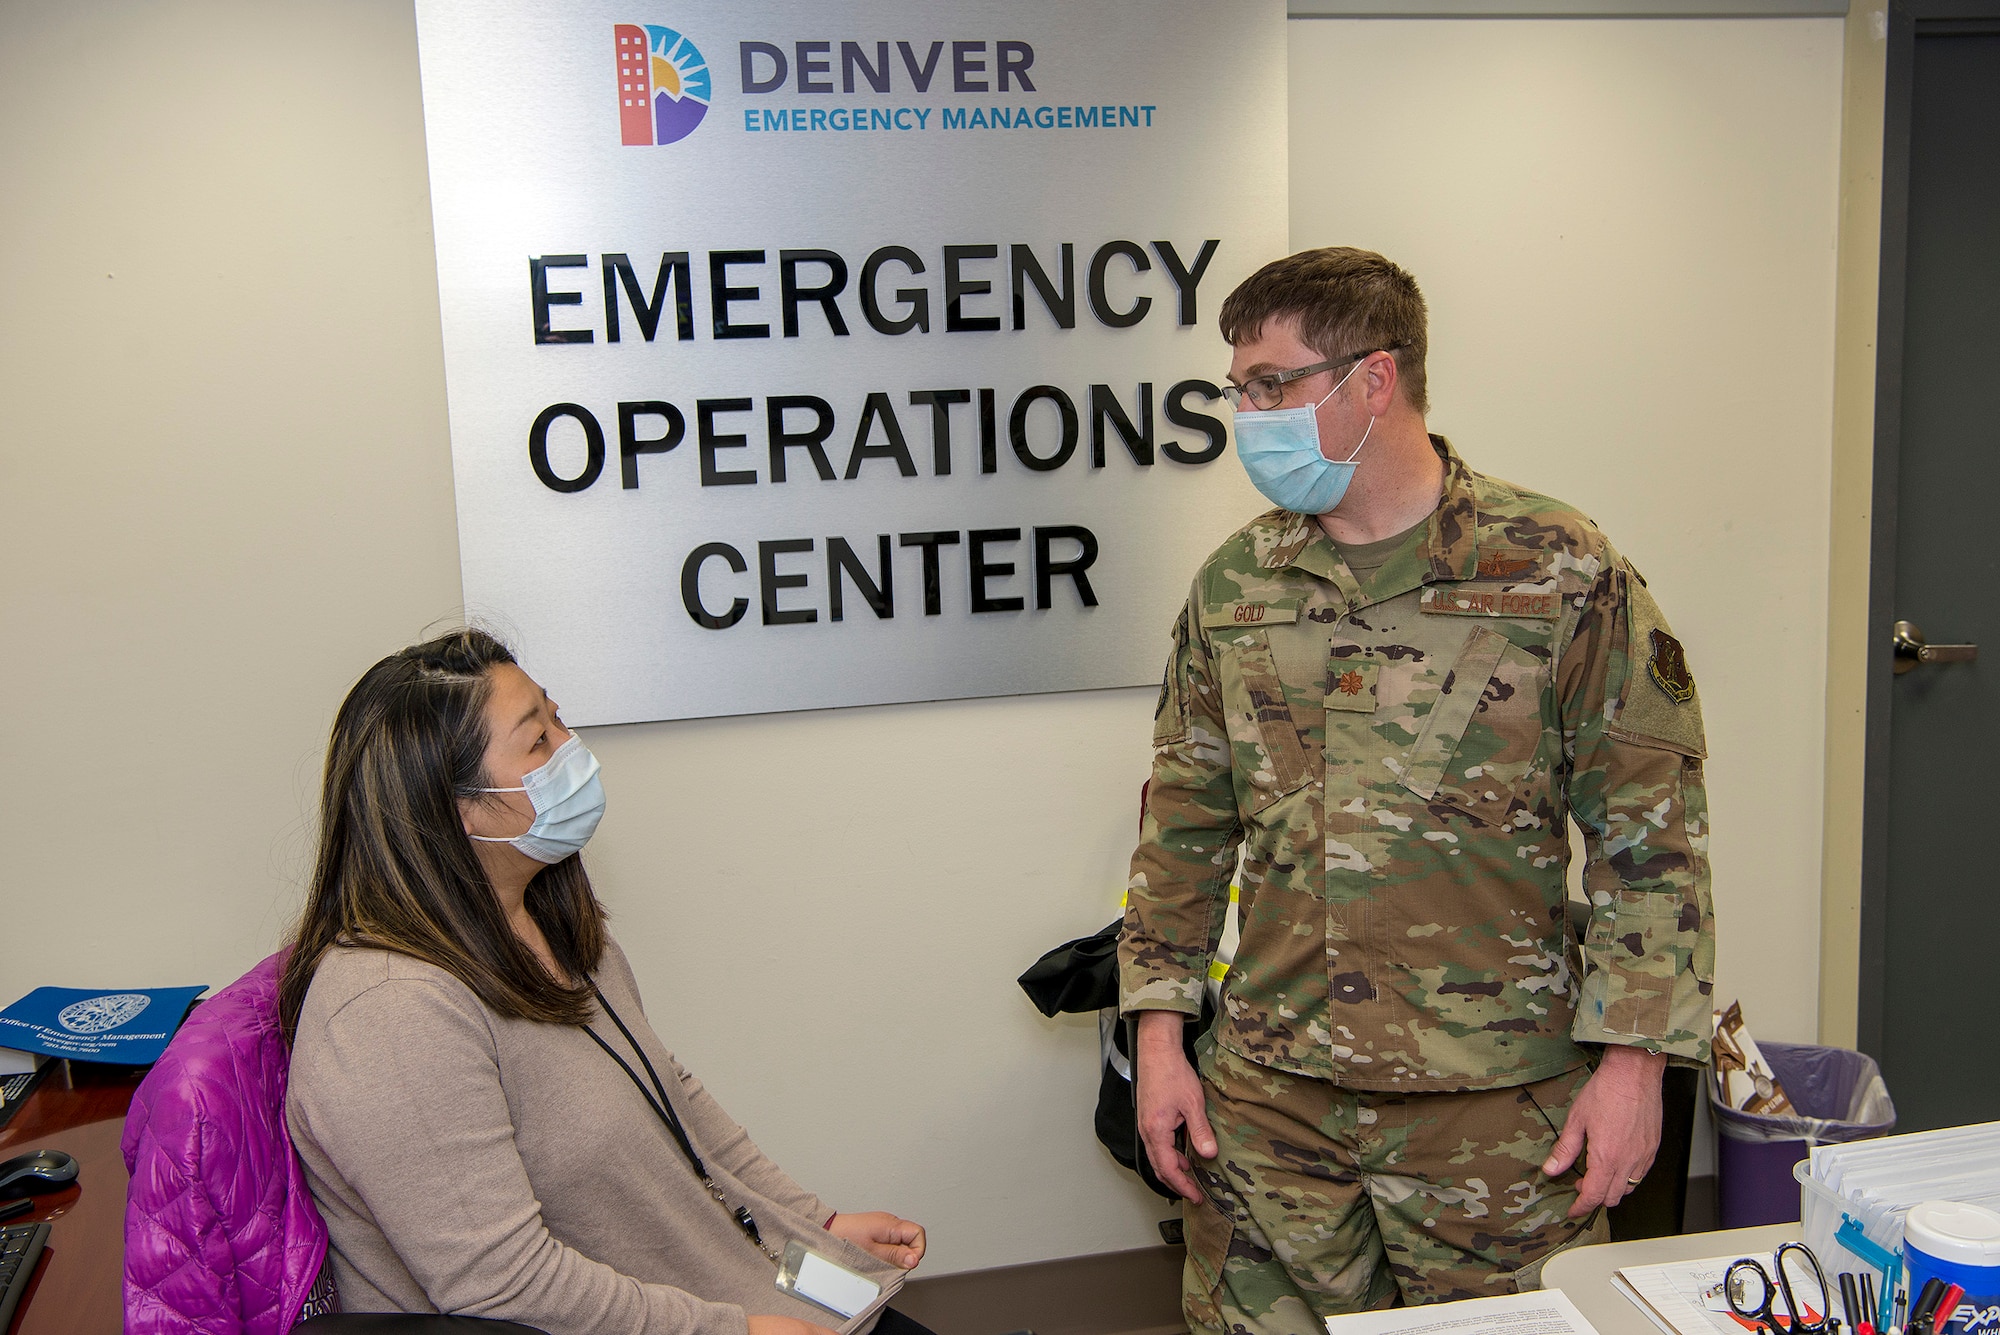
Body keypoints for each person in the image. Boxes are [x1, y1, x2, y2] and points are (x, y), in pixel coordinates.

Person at [1119, 248, 1715, 1333]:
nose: (1242, 412)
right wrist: (1158, 1040)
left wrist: (1635, 1069)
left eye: (1268, 384)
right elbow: (1182, 830)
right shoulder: (1237, 583)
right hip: (1270, 1104)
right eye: (1235, 386)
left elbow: (1650, 840)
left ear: (1372, 381)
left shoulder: (1556, 568)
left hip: (1491, 1113)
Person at [280, 629, 930, 1335]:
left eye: (557, 717)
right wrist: (731, 1332)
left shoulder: (550, 923)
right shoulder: (390, 1012)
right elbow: (503, 1284)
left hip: (732, 1287)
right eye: (537, 740)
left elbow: (671, 1096)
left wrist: (814, 1224)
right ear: (452, 804)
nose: (572, 748)